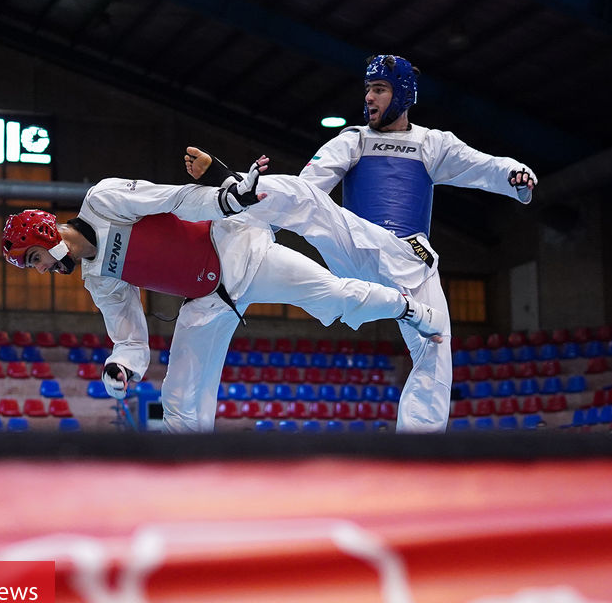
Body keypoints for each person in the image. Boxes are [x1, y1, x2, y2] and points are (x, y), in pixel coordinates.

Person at [188, 55, 537, 432]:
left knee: (436, 347)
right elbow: (306, 189)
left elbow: (483, 165)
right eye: (368, 89)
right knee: (308, 198)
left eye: (379, 89)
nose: (369, 97)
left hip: (409, 259)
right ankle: (234, 186)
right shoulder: (353, 139)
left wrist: (515, 176)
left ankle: (417, 451)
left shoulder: (432, 143)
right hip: (356, 242)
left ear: (402, 94)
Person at [1, 162, 444, 433]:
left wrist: (227, 200)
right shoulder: (98, 278)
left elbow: (177, 198)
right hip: (206, 303)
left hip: (241, 253)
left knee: (335, 297)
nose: (39, 269)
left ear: (47, 234)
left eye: (34, 258)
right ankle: (192, 489)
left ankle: (408, 307)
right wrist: (121, 366)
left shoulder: (103, 201)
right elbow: (129, 336)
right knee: (180, 397)